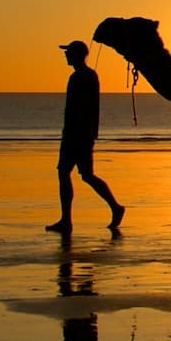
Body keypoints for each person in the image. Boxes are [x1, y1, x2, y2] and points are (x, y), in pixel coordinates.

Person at [48, 42, 125, 233]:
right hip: (79, 134)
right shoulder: (82, 76)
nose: (65, 55)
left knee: (74, 174)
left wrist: (79, 134)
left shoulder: (83, 77)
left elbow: (83, 109)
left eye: (68, 53)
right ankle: (68, 219)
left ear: (76, 55)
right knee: (78, 174)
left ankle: (70, 220)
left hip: (77, 135)